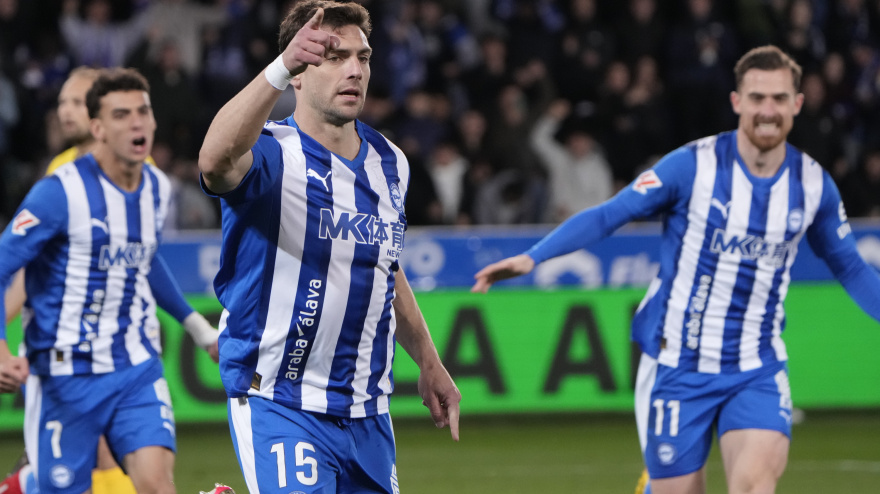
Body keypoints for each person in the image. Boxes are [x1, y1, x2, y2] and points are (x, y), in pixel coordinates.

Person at [472, 45, 880, 494]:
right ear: (736, 101)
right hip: (679, 364)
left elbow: (851, 268)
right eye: (758, 97)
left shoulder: (813, 186)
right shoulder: (692, 166)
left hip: (756, 366)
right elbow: (612, 213)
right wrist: (535, 255)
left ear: (797, 104)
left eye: (780, 98)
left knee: (755, 485)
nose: (768, 110)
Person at [198, 2, 461, 492]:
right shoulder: (272, 154)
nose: (355, 70)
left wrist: (428, 360)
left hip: (366, 412)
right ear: (299, 73)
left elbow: (384, 262)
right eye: (334, 56)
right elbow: (214, 162)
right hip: (279, 400)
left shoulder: (391, 162)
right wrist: (278, 68)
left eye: (362, 58)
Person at [0, 68, 218, 494]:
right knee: (60, 486)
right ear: (97, 128)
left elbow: (145, 259)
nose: (137, 122)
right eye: (121, 114)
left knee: (157, 485)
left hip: (134, 365)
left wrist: (199, 328)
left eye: (143, 111)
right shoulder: (59, 190)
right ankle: (24, 484)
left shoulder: (156, 185)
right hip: (66, 374)